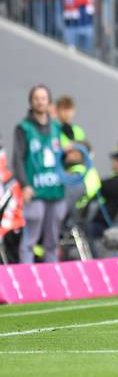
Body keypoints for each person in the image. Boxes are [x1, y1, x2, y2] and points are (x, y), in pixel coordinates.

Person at [12, 85, 67, 263]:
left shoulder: (57, 127)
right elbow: (18, 159)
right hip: (35, 190)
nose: (40, 101)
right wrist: (24, 185)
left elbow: (62, 156)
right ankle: (26, 278)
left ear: (49, 102)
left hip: (56, 190)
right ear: (31, 101)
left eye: (43, 98)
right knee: (30, 239)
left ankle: (52, 279)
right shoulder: (24, 128)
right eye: (37, 98)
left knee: (52, 240)